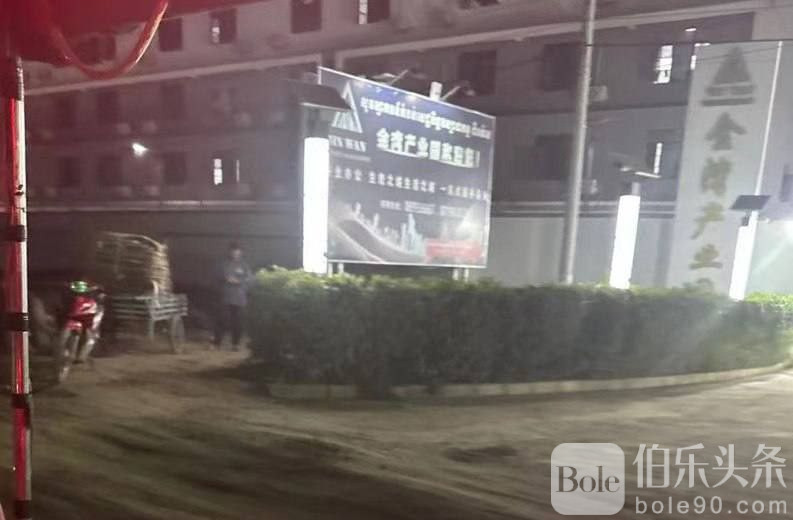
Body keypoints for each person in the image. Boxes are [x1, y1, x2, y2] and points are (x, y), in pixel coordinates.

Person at [214, 242, 253, 350]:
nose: (235, 253)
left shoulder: (244, 265)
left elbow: (250, 279)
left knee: (238, 322)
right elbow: (221, 277)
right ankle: (217, 342)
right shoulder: (224, 264)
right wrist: (227, 279)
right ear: (230, 251)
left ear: (241, 252)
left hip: (240, 298)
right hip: (226, 297)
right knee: (222, 319)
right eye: (233, 251)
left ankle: (235, 344)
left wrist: (239, 281)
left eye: (237, 251)